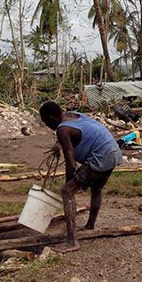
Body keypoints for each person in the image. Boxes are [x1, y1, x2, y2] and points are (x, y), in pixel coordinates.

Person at [39, 101, 123, 253]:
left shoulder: (62, 130)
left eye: (46, 123)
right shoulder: (73, 115)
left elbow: (71, 162)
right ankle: (90, 225)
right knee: (96, 188)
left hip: (101, 156)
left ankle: (72, 241)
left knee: (66, 191)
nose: (48, 126)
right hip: (113, 152)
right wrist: (59, 145)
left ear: (51, 118)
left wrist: (69, 185)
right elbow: (73, 132)